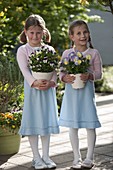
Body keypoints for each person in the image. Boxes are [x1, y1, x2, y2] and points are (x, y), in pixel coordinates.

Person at [16, 14, 59, 170]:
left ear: (44, 32)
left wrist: (51, 81)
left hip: (47, 91)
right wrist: (35, 82)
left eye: (38, 32)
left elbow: (54, 69)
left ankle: (46, 156)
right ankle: (36, 157)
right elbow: (25, 70)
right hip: (33, 92)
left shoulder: (49, 49)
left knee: (45, 122)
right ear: (26, 32)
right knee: (34, 122)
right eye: (32, 32)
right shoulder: (23, 50)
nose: (35, 36)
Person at [59, 20, 103, 169]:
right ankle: (76, 157)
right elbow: (62, 73)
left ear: (89, 34)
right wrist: (65, 78)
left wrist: (89, 76)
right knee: (73, 126)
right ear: (72, 37)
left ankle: (89, 157)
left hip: (86, 96)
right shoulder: (67, 54)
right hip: (72, 96)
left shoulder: (93, 53)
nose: (83, 35)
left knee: (90, 126)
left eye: (85, 32)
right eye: (78, 33)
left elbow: (99, 74)